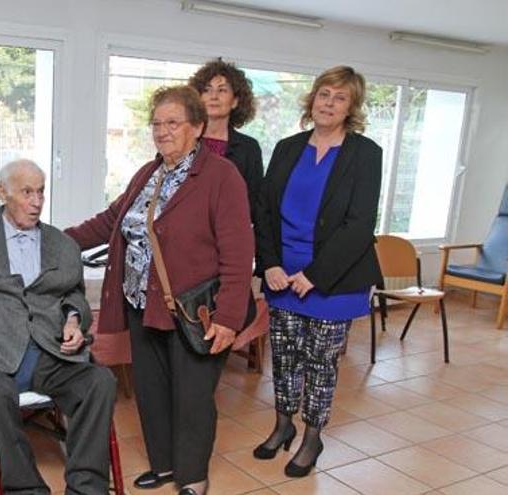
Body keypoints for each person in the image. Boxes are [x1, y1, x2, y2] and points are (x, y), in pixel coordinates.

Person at [66, 86, 254, 495]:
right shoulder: (149, 173)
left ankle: (193, 477)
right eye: (156, 123)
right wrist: (54, 241)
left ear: (198, 127)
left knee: (192, 398)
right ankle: (165, 465)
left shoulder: (221, 177)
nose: (162, 131)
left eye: (173, 123)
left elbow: (239, 254)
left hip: (194, 311)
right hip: (143, 305)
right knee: (152, 393)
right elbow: (110, 221)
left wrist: (227, 318)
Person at [0, 159, 117, 495]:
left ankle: (87, 487)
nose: (36, 201)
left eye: (41, 192)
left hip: (49, 350)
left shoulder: (61, 244)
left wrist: (74, 320)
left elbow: (73, 293)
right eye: (27, 192)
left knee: (100, 382)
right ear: (3, 193)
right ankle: (25, 489)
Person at [253, 65, 382, 477]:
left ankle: (312, 437)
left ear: (351, 107)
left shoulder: (365, 154)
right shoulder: (287, 148)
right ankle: (282, 425)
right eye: (324, 94)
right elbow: (265, 211)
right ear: (312, 99)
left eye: (340, 97)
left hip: (333, 280)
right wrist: (270, 263)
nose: (329, 103)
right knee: (285, 358)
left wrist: (315, 275)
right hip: (281, 276)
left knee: (320, 363)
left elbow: (360, 224)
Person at [188, 58, 263, 217]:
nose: (213, 96)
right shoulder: (182, 140)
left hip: (229, 231)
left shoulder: (249, 148)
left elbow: (254, 203)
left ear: (235, 101)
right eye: (207, 90)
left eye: (222, 90)